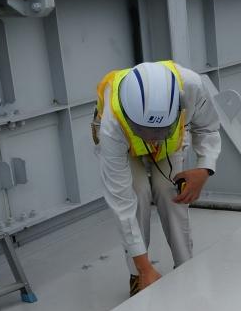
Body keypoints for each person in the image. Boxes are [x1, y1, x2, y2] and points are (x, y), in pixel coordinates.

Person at [92, 60, 221, 294]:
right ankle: (139, 274)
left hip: (170, 145)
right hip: (126, 147)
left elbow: (208, 127)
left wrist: (204, 168)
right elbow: (122, 203)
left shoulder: (191, 86)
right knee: (137, 194)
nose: (152, 139)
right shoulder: (112, 125)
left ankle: (186, 267)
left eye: (159, 130)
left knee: (171, 191)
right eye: (146, 130)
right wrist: (144, 268)